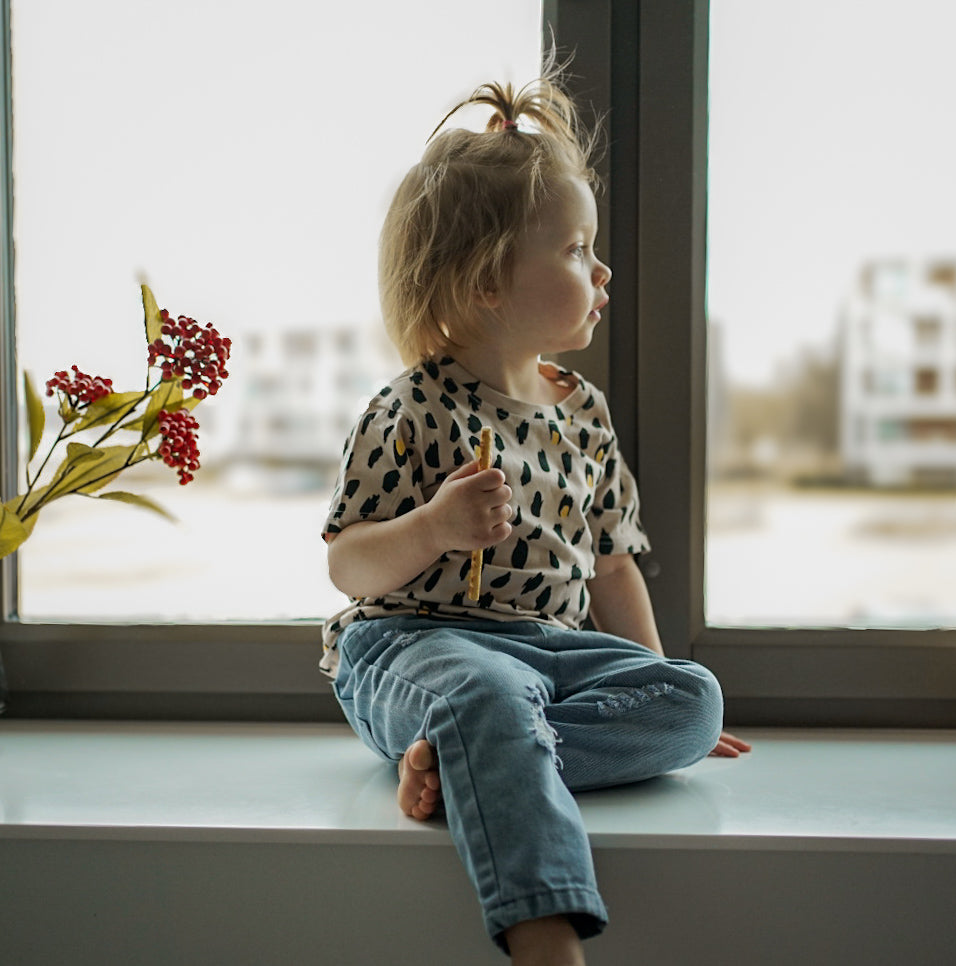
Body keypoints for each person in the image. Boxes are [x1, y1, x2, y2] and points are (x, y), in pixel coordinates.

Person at [321, 73, 750, 966]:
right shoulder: (412, 409)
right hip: (410, 646)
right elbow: (349, 568)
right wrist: (432, 528)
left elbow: (614, 564)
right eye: (575, 250)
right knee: (487, 692)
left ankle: (466, 758)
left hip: (548, 655)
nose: (601, 272)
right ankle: (545, 933)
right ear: (487, 281)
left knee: (692, 703)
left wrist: (656, 676)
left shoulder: (583, 412)